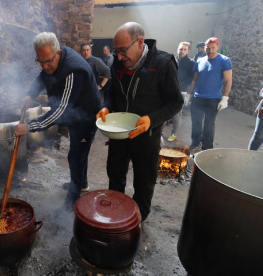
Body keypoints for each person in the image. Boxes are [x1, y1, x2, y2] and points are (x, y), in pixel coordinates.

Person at [96, 22, 183, 221]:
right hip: (119, 132)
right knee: (115, 174)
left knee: (144, 181)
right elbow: (112, 93)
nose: (118, 57)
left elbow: (176, 102)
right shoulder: (119, 62)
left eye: (123, 51)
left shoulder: (163, 64)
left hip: (147, 134)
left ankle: (137, 220)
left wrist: (151, 119)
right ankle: (115, 213)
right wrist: (107, 107)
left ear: (140, 42)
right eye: (116, 51)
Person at [15, 32, 102, 209]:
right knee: (79, 152)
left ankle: (73, 197)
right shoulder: (51, 58)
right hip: (74, 113)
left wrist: (30, 126)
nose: (45, 66)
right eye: (41, 61)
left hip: (86, 116)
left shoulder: (73, 71)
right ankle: (82, 184)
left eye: (48, 61)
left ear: (59, 53)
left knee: (76, 156)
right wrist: (29, 94)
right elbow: (43, 76)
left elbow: (61, 111)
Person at [185, 37, 233, 150]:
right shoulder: (200, 60)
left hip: (213, 99)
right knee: (196, 123)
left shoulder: (224, 60)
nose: (210, 51)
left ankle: (206, 148)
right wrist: (189, 94)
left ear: (218, 47)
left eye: (213, 48)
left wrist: (225, 98)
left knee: (208, 125)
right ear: (205, 48)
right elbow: (195, 80)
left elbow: (228, 80)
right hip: (197, 98)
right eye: (208, 48)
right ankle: (195, 142)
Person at [167, 42, 195, 142]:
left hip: (181, 91)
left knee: (176, 114)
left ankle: (174, 133)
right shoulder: (172, 60)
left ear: (188, 51)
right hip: (168, 89)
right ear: (177, 49)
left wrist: (184, 88)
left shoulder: (191, 63)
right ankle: (160, 132)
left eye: (184, 49)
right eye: (181, 49)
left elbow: (192, 77)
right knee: (164, 111)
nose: (182, 51)